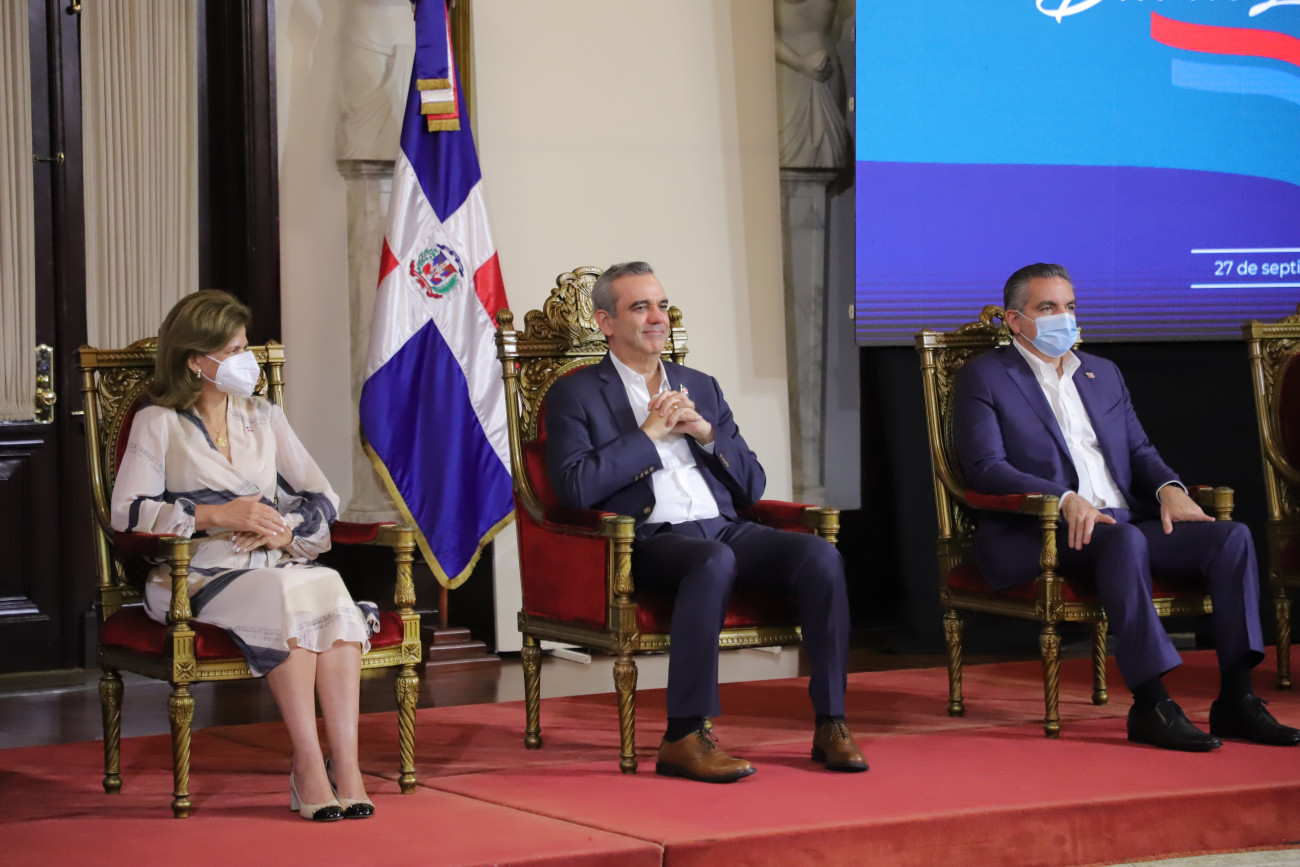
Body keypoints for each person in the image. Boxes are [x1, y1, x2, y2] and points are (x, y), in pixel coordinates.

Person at [953, 263, 1300, 752]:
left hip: (1122, 521)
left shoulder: (1103, 373)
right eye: (1047, 308)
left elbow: (1139, 452)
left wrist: (1169, 489)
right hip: (1040, 531)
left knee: (1231, 537)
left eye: (1069, 307)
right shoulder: (986, 376)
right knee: (1124, 539)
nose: (1063, 318)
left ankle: (1238, 699)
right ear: (1015, 320)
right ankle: (1151, 704)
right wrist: (1064, 498)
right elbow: (985, 468)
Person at [545, 261, 866, 782]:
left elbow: (752, 486)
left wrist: (707, 435)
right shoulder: (575, 393)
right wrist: (647, 435)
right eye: (640, 307)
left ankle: (832, 721)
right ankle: (684, 735)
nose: (657, 317)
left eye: (661, 305)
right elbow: (574, 488)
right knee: (711, 560)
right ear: (606, 322)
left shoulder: (701, 386)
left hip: (721, 526)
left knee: (819, 555)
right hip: (646, 538)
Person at [110, 290, 379, 820]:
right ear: (196, 360)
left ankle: (347, 768)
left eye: (246, 346)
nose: (247, 360)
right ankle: (308, 765)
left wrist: (283, 530)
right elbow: (128, 513)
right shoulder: (158, 422)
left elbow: (323, 496)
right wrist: (216, 515)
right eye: (233, 350)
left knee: (325, 584)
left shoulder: (263, 414)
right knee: (290, 592)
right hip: (194, 575)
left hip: (269, 565)